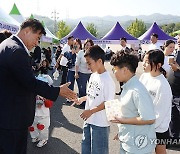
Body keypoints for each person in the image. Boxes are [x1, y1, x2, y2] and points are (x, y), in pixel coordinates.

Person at [0, 19, 77, 154]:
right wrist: (58, 90)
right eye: (37, 38)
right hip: (13, 118)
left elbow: (21, 79)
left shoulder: (6, 44)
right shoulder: (16, 50)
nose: (37, 43)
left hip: (8, 113)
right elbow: (30, 83)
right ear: (27, 31)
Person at [110, 51, 156, 154]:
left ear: (125, 70)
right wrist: (122, 131)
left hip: (137, 146)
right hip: (128, 140)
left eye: (115, 69)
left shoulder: (136, 91)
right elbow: (131, 112)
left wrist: (123, 121)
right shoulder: (128, 86)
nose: (113, 72)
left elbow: (149, 119)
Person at [74, 45, 115, 154]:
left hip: (100, 124)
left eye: (89, 63)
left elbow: (108, 103)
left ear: (100, 61)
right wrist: (82, 99)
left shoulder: (108, 80)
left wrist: (91, 111)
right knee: (85, 149)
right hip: (89, 120)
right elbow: (92, 95)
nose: (87, 66)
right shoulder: (93, 75)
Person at [140, 49, 172, 154]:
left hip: (159, 127)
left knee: (160, 151)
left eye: (147, 62)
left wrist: (145, 126)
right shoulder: (144, 76)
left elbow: (160, 114)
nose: (143, 64)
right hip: (144, 122)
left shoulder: (163, 86)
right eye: (143, 61)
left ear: (158, 65)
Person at [29, 69, 53, 148]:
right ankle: (35, 136)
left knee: (42, 127)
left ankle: (44, 139)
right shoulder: (33, 92)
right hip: (33, 113)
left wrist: (44, 99)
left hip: (43, 114)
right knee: (32, 126)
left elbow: (49, 104)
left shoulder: (46, 94)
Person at [167, 37, 180, 145]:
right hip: (173, 90)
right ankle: (173, 138)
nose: (179, 42)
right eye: (178, 40)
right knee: (174, 114)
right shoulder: (177, 52)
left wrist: (178, 68)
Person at [74, 38, 93, 107]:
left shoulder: (93, 54)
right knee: (82, 89)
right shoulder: (81, 53)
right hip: (82, 73)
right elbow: (77, 64)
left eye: (89, 45)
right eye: (86, 45)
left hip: (91, 74)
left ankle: (91, 103)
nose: (87, 46)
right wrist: (76, 73)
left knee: (92, 89)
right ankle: (82, 103)